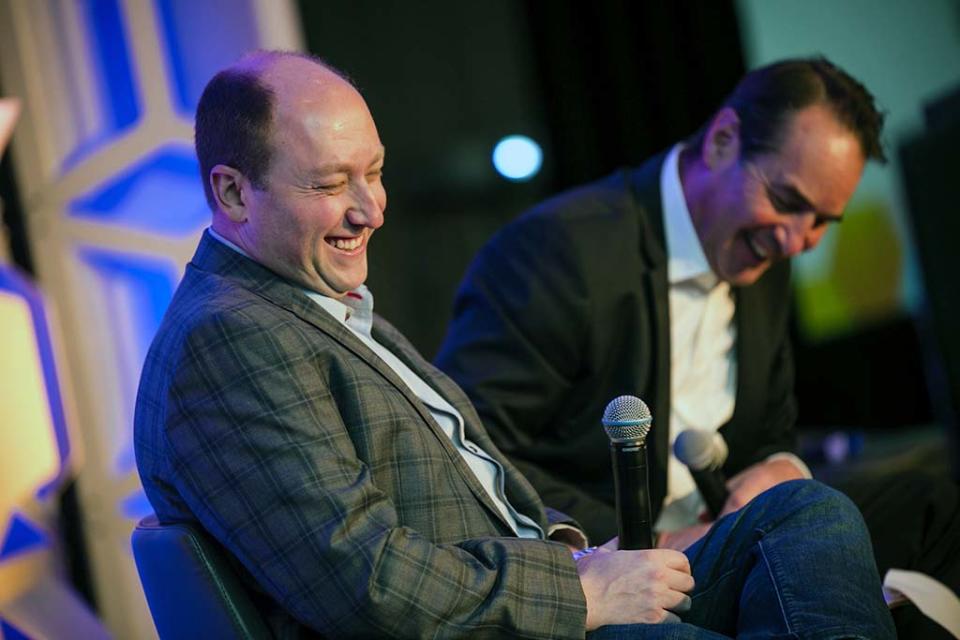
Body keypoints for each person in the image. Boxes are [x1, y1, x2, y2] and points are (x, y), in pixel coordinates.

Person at [134, 51, 894, 639]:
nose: (371, 209)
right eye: (333, 184)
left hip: (553, 579)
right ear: (234, 193)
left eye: (375, 173)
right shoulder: (227, 340)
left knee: (806, 513)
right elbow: (360, 581)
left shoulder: (308, 306)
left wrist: (583, 558)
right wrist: (582, 590)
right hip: (515, 620)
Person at [436, 57, 959, 637]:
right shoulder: (556, 252)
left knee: (936, 507)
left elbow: (769, 429)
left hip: (722, 537)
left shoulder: (768, 248)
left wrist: (779, 466)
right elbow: (472, 453)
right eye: (786, 200)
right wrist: (651, 541)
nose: (796, 240)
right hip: (621, 560)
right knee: (823, 524)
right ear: (723, 141)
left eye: (821, 222)